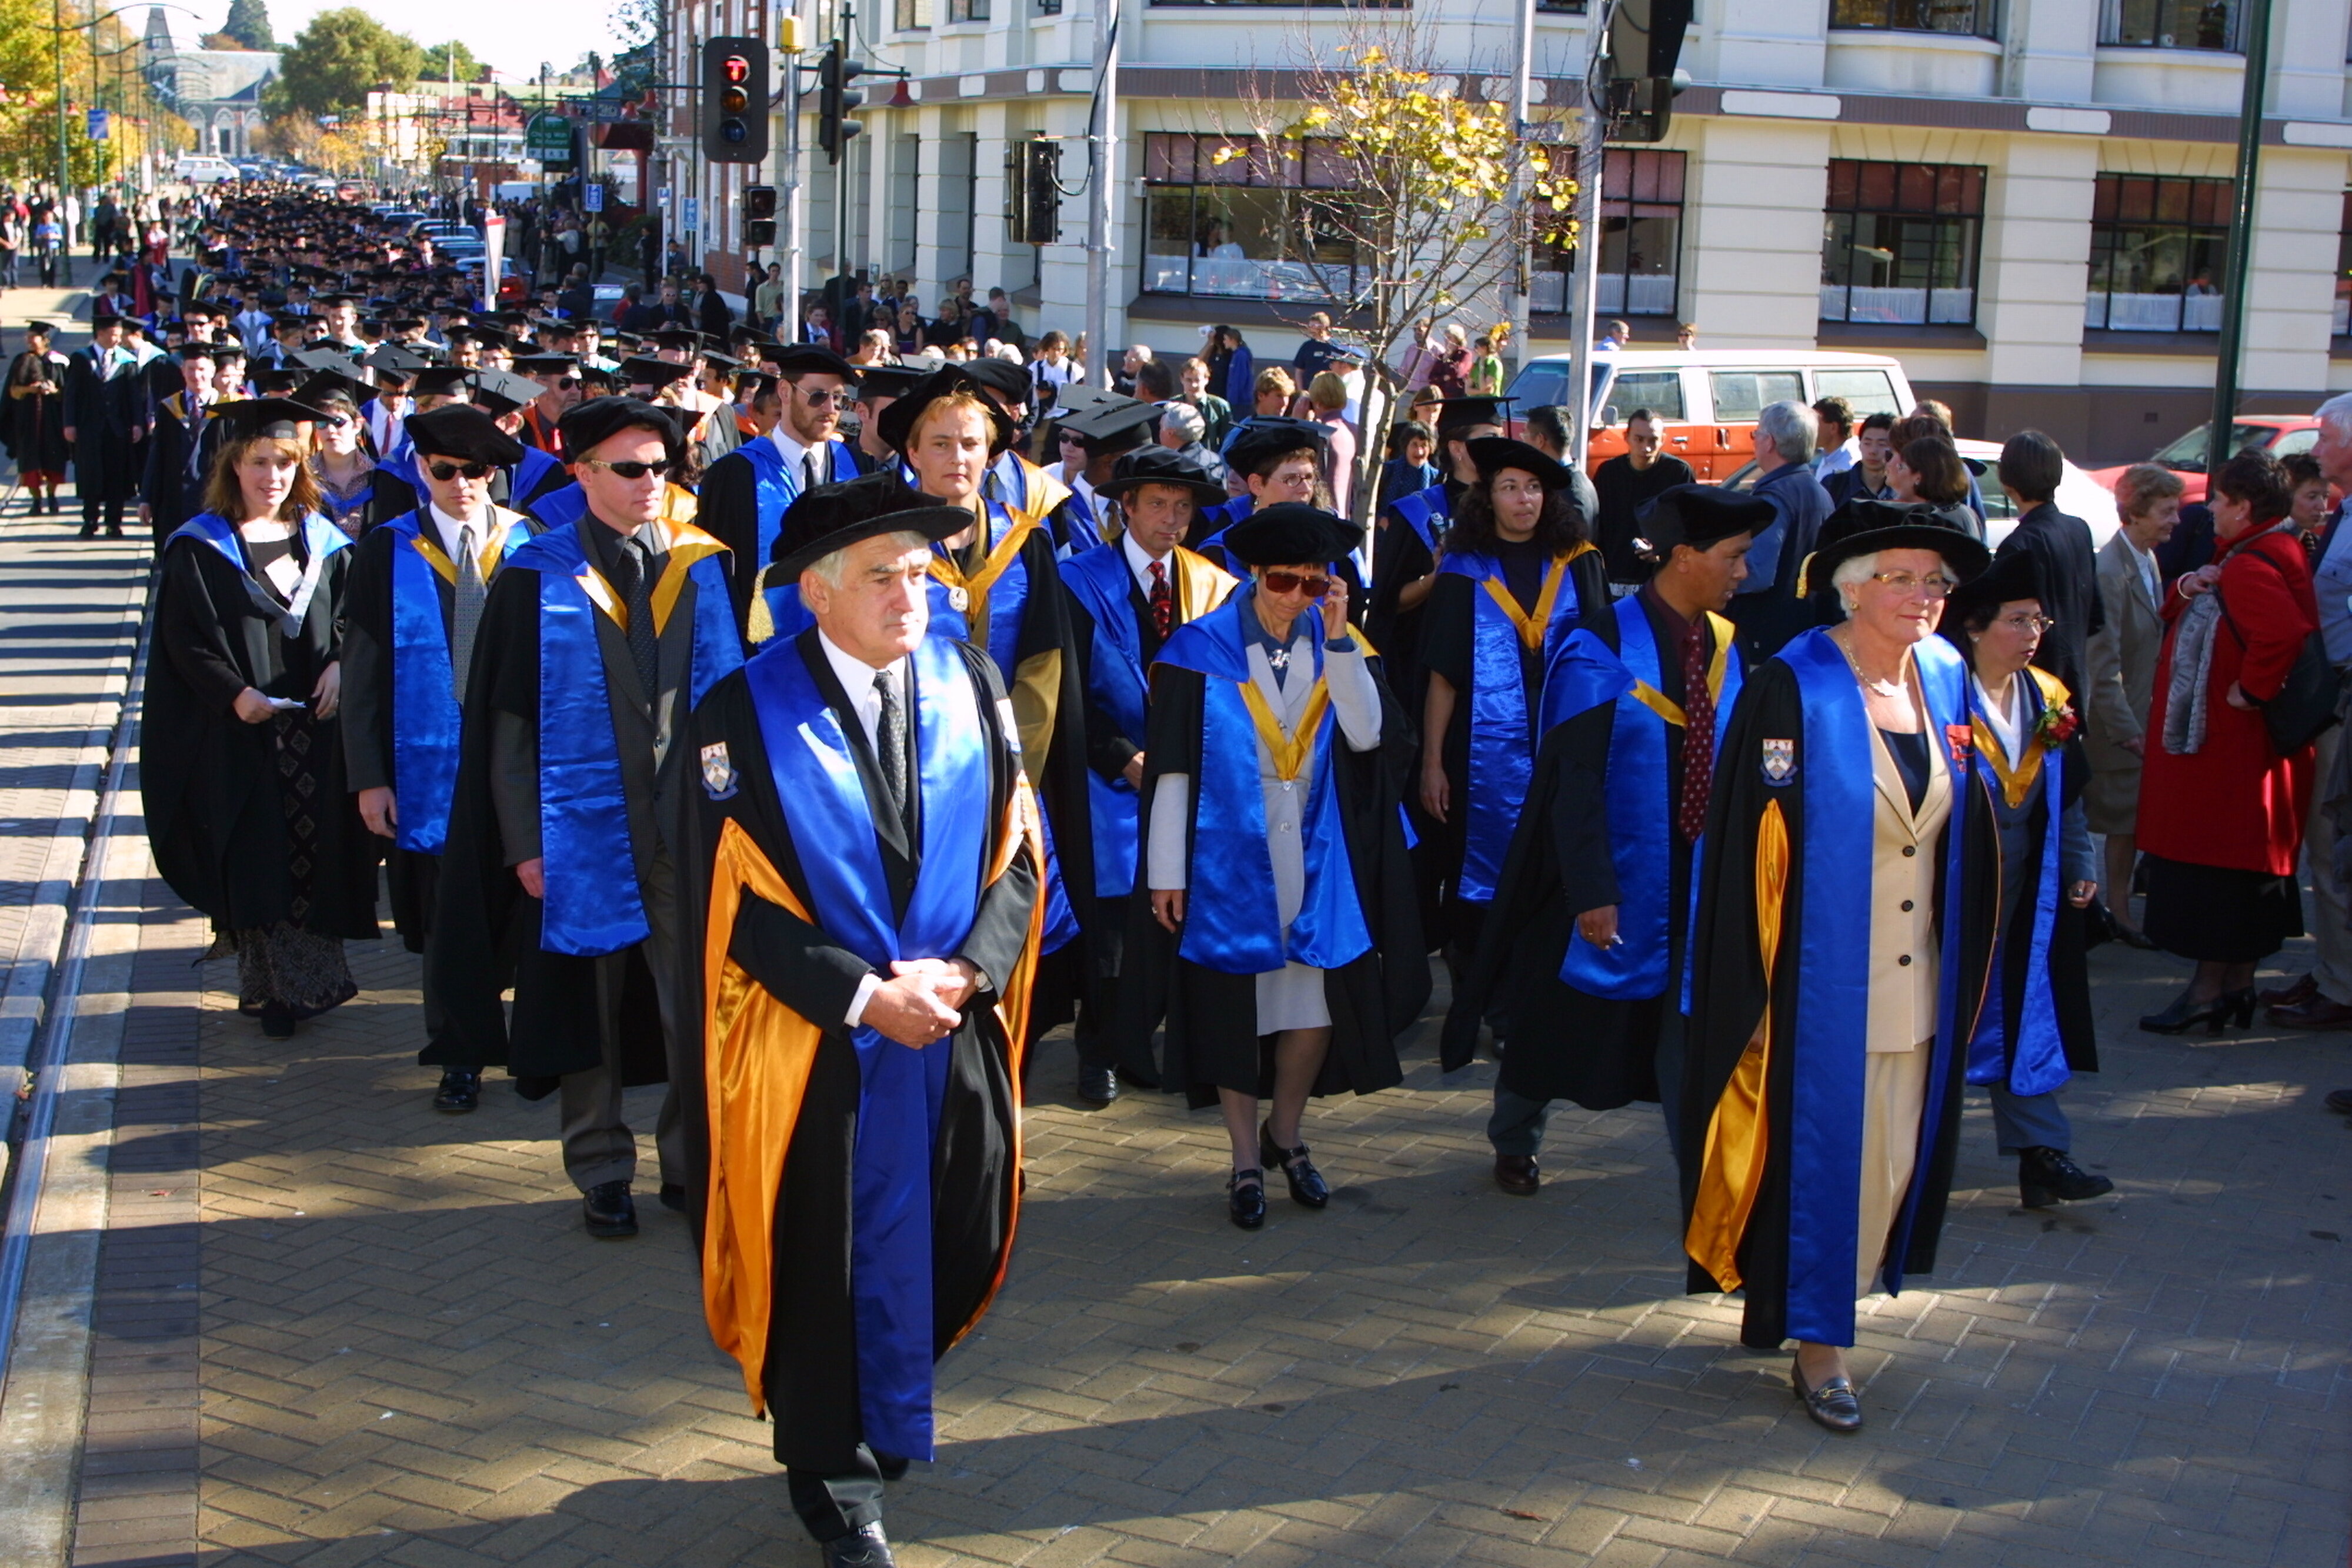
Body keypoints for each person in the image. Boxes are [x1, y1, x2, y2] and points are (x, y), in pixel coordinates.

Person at [684, 481, 1041, 1568]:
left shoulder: (971, 680)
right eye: (881, 575)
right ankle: (833, 1483)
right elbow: (726, 904)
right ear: (815, 592)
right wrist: (864, 994)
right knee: (821, 1263)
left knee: (948, 1230)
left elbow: (1020, 854)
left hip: (947, 1029)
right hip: (816, 1048)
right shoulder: (740, 713)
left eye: (919, 573)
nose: (910, 594)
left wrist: (970, 974)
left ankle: (884, 1413)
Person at [1682, 515, 1991, 1433]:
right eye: (1899, 577)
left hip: (1915, 982)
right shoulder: (1794, 685)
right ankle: (1821, 1349)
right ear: (1849, 587)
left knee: (1889, 1166)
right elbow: (1748, 846)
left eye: (1933, 581)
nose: (1922, 595)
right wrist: (1752, 984)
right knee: (1829, 1168)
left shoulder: (1943, 679)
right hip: (1819, 984)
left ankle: (1783, 1299)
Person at [426, 396, 745, 1240]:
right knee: (590, 1013)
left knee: (697, 1005)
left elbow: (728, 708)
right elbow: (507, 727)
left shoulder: (701, 563)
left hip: (687, 829)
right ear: (581, 473)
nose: (651, 485)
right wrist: (526, 843)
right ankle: (601, 1165)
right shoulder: (536, 575)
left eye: (662, 469)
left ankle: (691, 1163)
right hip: (581, 831)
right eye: (630, 469)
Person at [1443, 484, 1768, 1190]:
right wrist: (1593, 889)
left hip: (1699, 874)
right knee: (1558, 1023)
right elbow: (1573, 780)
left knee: (1695, 1023)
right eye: (1734, 556)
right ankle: (1515, 1132)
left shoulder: (1727, 646)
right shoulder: (1599, 644)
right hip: (1605, 878)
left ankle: (1707, 1172)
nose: (1745, 571)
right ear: (1685, 556)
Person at [1120, 503, 1424, 1227]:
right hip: (1230, 855)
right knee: (1235, 1008)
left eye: (1316, 586)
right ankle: (1243, 1159)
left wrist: (1345, 640)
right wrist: (1168, 870)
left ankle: (1285, 1133)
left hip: (1318, 851)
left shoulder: (1338, 643)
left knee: (1312, 1005)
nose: (1298, 598)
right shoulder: (1200, 650)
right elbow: (1171, 771)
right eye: (1286, 581)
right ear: (1255, 575)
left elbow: (1368, 734)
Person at [144, 397, 379, 1038]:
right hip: (242, 732)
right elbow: (182, 639)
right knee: (258, 855)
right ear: (234, 465)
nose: (271, 475)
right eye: (258, 462)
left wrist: (340, 665)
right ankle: (271, 989)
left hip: (316, 728)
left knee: (313, 851)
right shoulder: (200, 547)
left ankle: (314, 980)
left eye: (283, 462)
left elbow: (352, 619)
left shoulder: (326, 542)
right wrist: (231, 694)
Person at [339, 405, 538, 1113]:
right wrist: (368, 777)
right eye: (445, 470)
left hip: (519, 766)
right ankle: (461, 1052)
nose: (462, 484)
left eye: (476, 470)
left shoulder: (532, 542)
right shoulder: (387, 548)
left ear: (495, 472)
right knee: (451, 922)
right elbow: (361, 674)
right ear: (421, 469)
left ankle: (530, 1040)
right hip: (426, 771)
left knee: (522, 908)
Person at [1059, 446, 1236, 1107]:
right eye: (1157, 503)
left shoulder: (1212, 585)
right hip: (1109, 780)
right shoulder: (1078, 580)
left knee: (1175, 917)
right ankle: (1098, 1050)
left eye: (1183, 506)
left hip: (1191, 776)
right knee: (1111, 930)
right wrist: (1121, 758)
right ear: (1124, 506)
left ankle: (1147, 1040)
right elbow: (1068, 692)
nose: (1171, 518)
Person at [1938, 551, 2112, 1209]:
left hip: (2026, 892)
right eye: (2018, 620)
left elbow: (2066, 795)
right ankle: (1908, 1154)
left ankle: (2044, 1153)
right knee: (1942, 1015)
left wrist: (2081, 862)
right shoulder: (1941, 694)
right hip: (1949, 896)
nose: (2033, 632)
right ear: (1977, 626)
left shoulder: (2047, 694)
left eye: (2038, 620)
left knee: (2027, 1007)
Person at [2136, 449, 2317, 1035]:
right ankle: (2235, 986)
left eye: (2218, 499)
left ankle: (2207, 992)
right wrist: (2191, 582)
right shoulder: (2258, 551)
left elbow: (2284, 631)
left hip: (2232, 753)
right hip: (2243, 751)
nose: (2209, 508)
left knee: (2221, 874)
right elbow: (2179, 608)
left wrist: (2253, 690)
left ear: (2242, 505)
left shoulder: (2251, 562)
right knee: (2240, 874)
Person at [1417, 436, 1610, 971]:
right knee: (1482, 865)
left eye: (1533, 489)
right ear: (1488, 498)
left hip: (1564, 743)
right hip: (1481, 751)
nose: (1524, 500)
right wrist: (1432, 763)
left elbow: (1603, 669)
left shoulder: (1579, 562)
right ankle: (1485, 989)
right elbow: (1443, 677)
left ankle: (1544, 992)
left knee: (1558, 861)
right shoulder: (1463, 571)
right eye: (1509, 488)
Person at [699, 344, 866, 635]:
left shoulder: (859, 468)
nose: (830, 409)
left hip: (844, 643)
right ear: (785, 392)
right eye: (818, 396)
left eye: (838, 398)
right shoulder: (735, 474)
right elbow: (718, 583)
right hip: (761, 652)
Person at [2084, 463, 2179, 952]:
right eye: (2165, 511)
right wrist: (2126, 729)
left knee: (2128, 824)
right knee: (2118, 825)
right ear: (2135, 511)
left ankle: (2116, 908)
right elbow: (2104, 662)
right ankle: (2115, 913)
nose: (2175, 521)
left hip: (2138, 718)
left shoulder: (2144, 559)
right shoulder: (2111, 570)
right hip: (2119, 726)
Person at [2282, 396, 2352, 1029]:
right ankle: (2332, 967)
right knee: (2324, 844)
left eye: (2327, 436)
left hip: (2344, 695)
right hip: (2328, 694)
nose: (2318, 446)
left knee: (2332, 845)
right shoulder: (2341, 512)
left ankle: (2342, 984)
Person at [1726, 399, 1831, 658]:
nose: (1754, 440)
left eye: (1757, 433)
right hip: (1804, 632)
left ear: (1770, 441)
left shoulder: (1773, 497)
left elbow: (1755, 573)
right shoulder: (1820, 492)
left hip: (1764, 638)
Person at [64, 308, 148, 539]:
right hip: (89, 429)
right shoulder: (82, 359)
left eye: (119, 333)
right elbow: (71, 394)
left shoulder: (126, 360)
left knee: (116, 477)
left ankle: (114, 522)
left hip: (117, 429)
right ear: (100, 334)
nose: (117, 338)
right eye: (112, 333)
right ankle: (90, 521)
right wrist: (69, 423)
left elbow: (134, 397)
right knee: (91, 476)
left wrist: (138, 424)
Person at [1593, 408, 1696, 587]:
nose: (1646, 448)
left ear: (1663, 439)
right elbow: (1598, 525)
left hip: (1661, 578)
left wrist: (1662, 550)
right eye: (1639, 439)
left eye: (1653, 440)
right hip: (1614, 575)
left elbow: (1691, 526)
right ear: (1626, 437)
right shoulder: (1608, 473)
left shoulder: (1678, 473)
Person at [139, 345, 216, 548]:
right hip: (175, 496)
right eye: (190, 369)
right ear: (182, 371)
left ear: (212, 371)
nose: (196, 375)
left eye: (201, 369)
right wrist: (146, 498)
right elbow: (156, 454)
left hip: (214, 496)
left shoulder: (227, 408)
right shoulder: (168, 407)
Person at [4, 321, 67, 515]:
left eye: (33, 337)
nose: (29, 341)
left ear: (45, 340)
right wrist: (31, 389)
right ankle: (36, 500)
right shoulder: (20, 361)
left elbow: (67, 393)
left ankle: (52, 497)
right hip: (27, 419)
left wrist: (54, 391)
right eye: (28, 337)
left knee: (53, 459)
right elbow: (12, 392)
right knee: (29, 461)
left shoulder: (58, 362)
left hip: (53, 419)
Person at [1303, 371, 1355, 521]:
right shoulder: (1355, 430)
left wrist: (1298, 419)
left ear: (1316, 402)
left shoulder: (1320, 432)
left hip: (1323, 513)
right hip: (1347, 514)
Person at [1825, 411, 1895, 508]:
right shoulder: (1834, 485)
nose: (1873, 451)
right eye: (1867, 443)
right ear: (1860, 445)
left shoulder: (1902, 489)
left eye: (1882, 444)